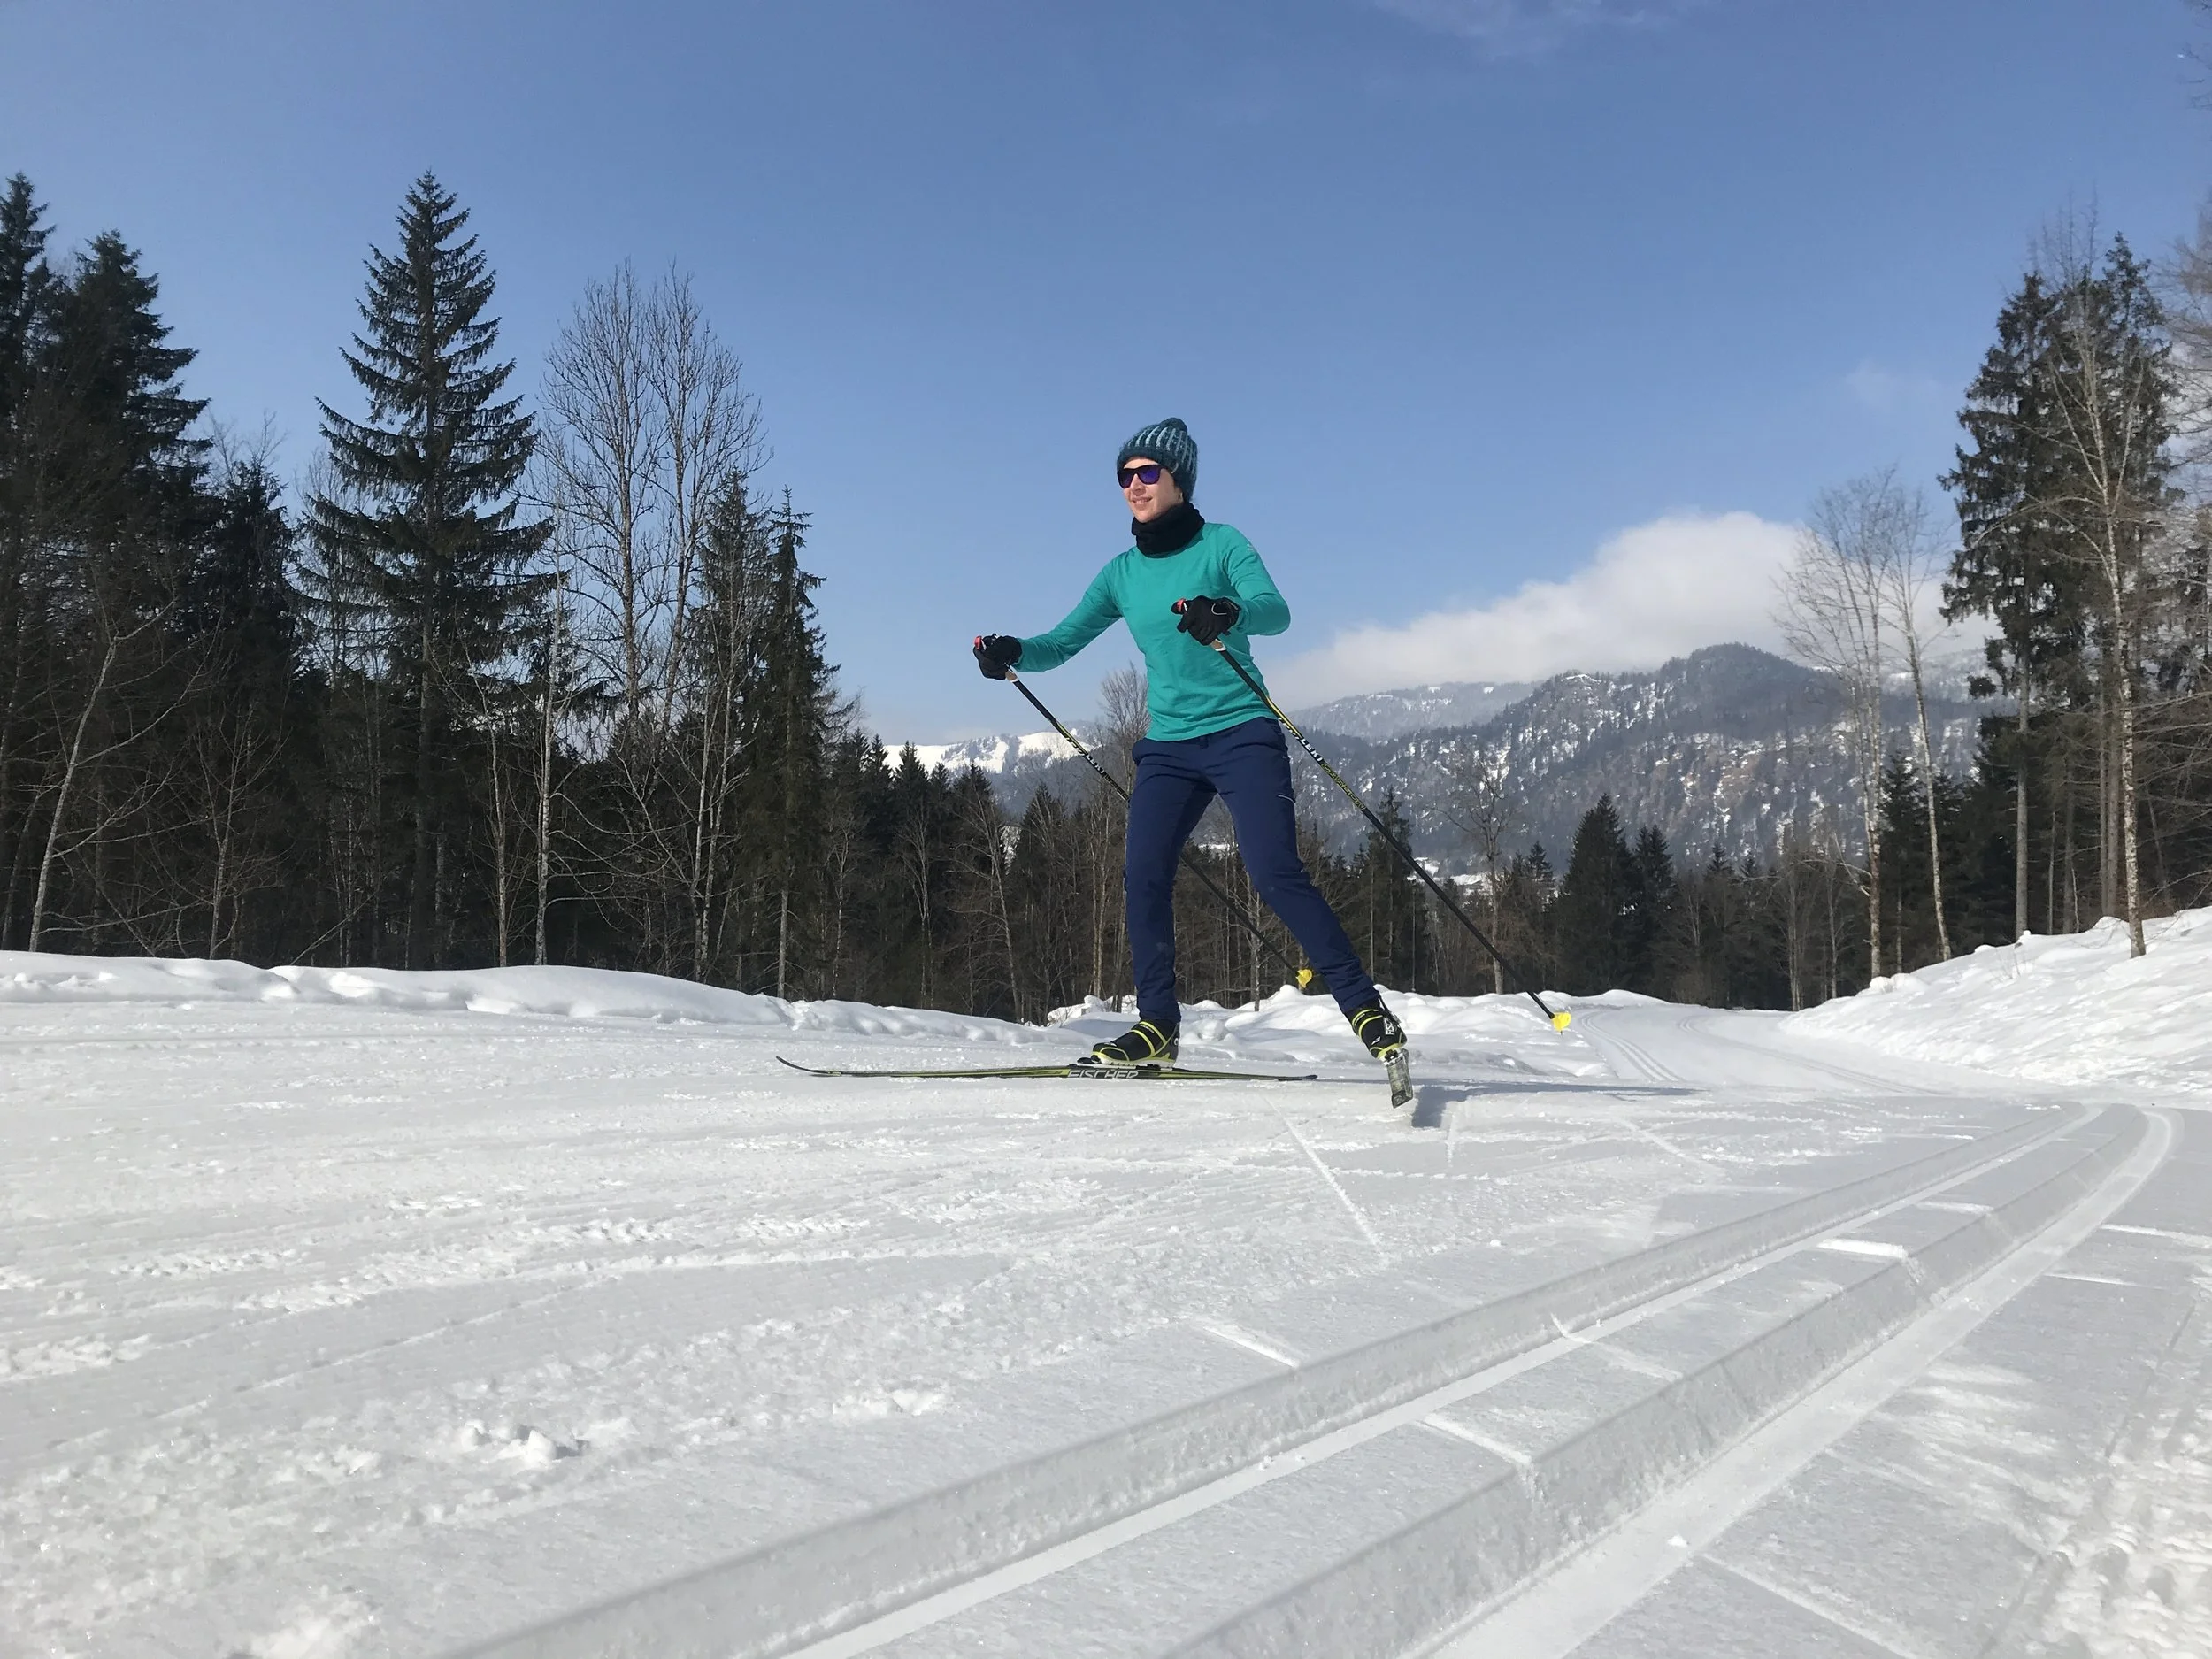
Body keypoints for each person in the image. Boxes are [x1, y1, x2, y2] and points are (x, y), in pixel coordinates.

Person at [973, 417, 1407, 1071]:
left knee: (1272, 870)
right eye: (1125, 475)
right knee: (1142, 874)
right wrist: (1013, 652)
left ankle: (1364, 1005)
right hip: (1170, 746)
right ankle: (1157, 1026)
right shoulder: (1121, 573)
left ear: (1179, 480)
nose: (1134, 485)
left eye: (1148, 472)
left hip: (1241, 731)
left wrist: (1228, 610)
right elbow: (1060, 643)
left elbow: (1276, 610)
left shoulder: (1223, 545)